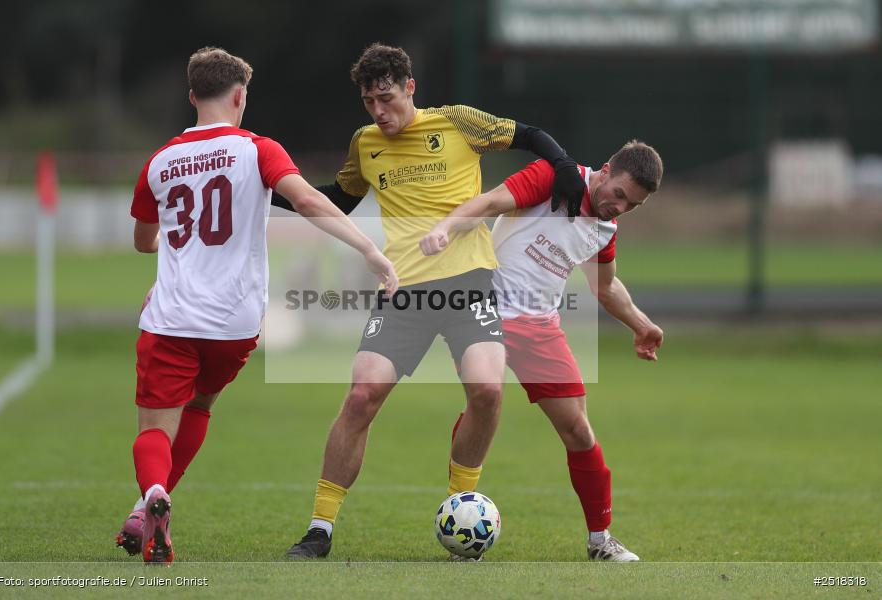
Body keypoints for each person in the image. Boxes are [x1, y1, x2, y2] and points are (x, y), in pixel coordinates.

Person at [278, 43, 588, 560]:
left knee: (487, 392)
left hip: (469, 281)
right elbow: (343, 197)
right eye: (369, 102)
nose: (380, 111)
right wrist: (273, 193)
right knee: (360, 398)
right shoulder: (366, 143)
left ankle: (460, 503)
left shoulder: (458, 123)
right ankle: (319, 529)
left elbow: (529, 136)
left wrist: (563, 167)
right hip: (403, 289)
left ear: (409, 88)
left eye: (387, 98)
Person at [117, 47, 397, 564]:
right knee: (200, 406)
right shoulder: (258, 149)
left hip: (173, 316)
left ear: (192, 96)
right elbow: (308, 201)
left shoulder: (159, 161)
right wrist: (368, 249)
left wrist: (175, 255)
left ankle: (153, 493)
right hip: (236, 323)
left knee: (155, 428)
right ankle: (144, 508)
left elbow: (143, 239)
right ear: (240, 96)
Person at [419, 140, 664, 561]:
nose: (619, 207)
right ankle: (459, 510)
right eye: (619, 194)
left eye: (632, 206)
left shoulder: (605, 228)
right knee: (485, 395)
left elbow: (604, 288)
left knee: (579, 431)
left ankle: (600, 539)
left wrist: (641, 324)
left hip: (539, 327)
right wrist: (445, 228)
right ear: (605, 170)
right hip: (484, 308)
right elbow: (491, 201)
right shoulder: (553, 177)